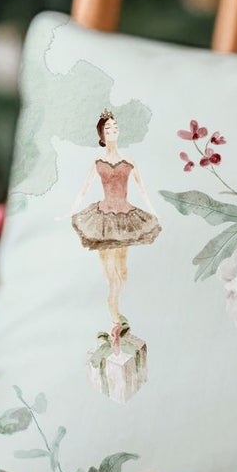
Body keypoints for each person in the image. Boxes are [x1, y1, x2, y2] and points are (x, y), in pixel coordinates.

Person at [69, 111, 161, 335]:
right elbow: (84, 188)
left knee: (123, 272)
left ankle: (117, 314)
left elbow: (141, 189)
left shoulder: (129, 161)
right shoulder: (97, 161)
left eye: (115, 127)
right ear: (102, 134)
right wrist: (70, 211)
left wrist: (154, 212)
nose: (113, 131)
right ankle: (114, 316)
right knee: (111, 273)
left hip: (124, 217)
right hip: (103, 218)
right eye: (108, 129)